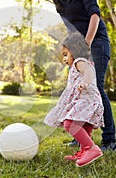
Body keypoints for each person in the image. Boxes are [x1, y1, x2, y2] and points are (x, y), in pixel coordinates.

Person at [44, 0, 116, 151]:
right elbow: (71, 27)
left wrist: (86, 44)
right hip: (78, 46)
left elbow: (94, 15)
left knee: (95, 87)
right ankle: (82, 137)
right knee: (78, 89)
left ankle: (109, 141)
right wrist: (71, 50)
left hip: (96, 41)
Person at [44, 32, 104, 167]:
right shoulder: (77, 64)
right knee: (84, 127)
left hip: (87, 100)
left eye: (66, 54)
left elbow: (88, 72)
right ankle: (85, 151)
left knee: (69, 123)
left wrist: (85, 83)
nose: (64, 59)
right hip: (89, 101)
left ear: (75, 51)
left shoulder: (79, 62)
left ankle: (92, 149)